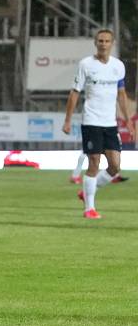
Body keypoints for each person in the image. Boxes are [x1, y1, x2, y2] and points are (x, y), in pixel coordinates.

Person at [62, 29, 135, 219]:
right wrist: (68, 120)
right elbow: (75, 93)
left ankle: (86, 192)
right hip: (91, 121)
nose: (103, 44)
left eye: (107, 41)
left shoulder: (118, 66)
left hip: (110, 123)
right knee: (94, 163)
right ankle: (89, 209)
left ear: (112, 44)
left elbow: (121, 94)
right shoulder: (86, 64)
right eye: (100, 41)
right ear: (96, 43)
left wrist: (128, 121)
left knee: (115, 166)